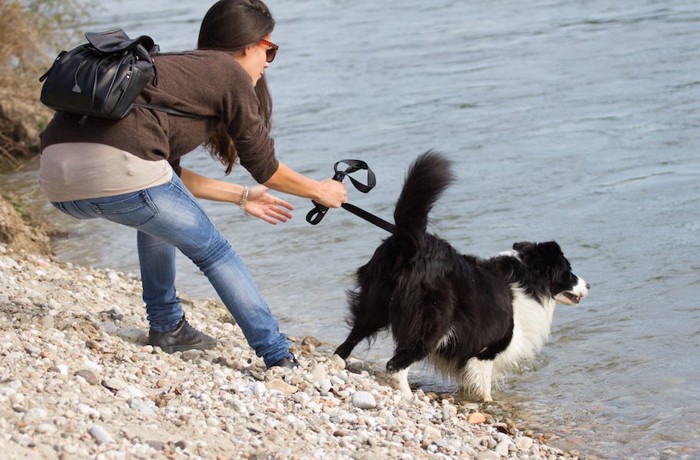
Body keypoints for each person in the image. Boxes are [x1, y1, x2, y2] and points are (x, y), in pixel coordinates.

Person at [38, 0, 347, 369]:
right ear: (250, 44)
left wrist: (241, 196)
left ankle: (168, 327)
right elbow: (266, 169)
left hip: (55, 181)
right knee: (214, 252)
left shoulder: (171, 70)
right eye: (270, 49)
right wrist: (319, 190)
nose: (268, 63)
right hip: (123, 171)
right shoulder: (225, 71)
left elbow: (168, 176)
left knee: (154, 218)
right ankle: (278, 354)